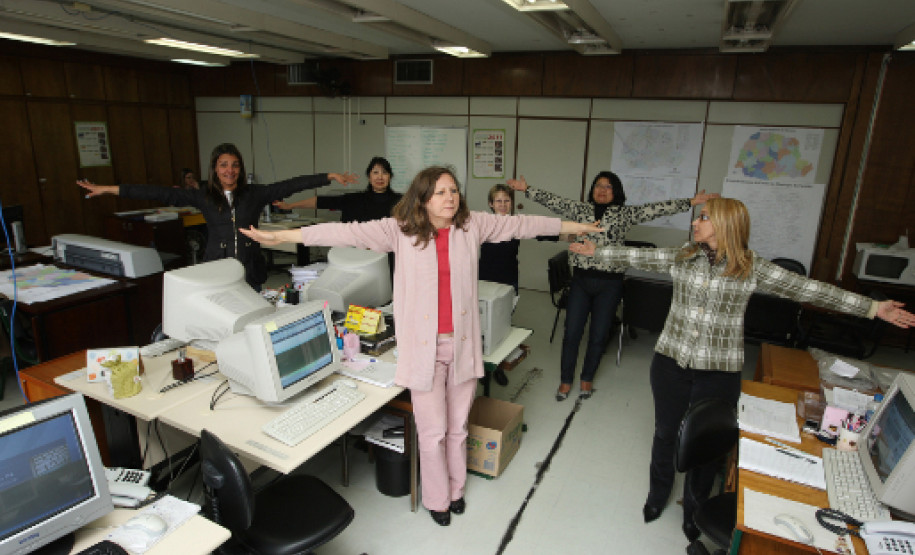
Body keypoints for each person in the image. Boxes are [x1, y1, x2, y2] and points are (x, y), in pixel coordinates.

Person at [238, 166, 602, 526]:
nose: (450, 197)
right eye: (440, 192)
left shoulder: (471, 225)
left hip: (460, 346)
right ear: (423, 198)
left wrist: (576, 228)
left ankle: (456, 491)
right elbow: (345, 231)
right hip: (423, 350)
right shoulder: (400, 230)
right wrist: (287, 237)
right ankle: (437, 500)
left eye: (453, 190)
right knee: (432, 433)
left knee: (458, 428)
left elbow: (524, 225)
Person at [570, 197, 915, 542]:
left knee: (705, 447)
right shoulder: (685, 256)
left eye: (703, 218)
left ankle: (694, 513)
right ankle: (657, 495)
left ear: (726, 224)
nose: (695, 223)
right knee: (664, 434)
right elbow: (637, 256)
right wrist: (595, 251)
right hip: (670, 364)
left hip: (718, 372)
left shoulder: (752, 268)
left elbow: (810, 290)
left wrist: (872, 308)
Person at [508, 172, 717, 401]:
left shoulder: (625, 213)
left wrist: (690, 202)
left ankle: (587, 378)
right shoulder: (580, 209)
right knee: (572, 334)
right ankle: (566, 380)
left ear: (616, 191)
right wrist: (527, 189)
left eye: (608, 187)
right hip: (581, 281)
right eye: (598, 185)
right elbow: (554, 201)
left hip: (610, 284)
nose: (602, 190)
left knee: (598, 335)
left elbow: (657, 208)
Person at [77, 143, 356, 291]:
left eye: (235, 165)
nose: (230, 170)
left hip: (250, 268)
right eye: (224, 165)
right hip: (217, 266)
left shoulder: (254, 194)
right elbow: (156, 192)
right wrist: (108, 189)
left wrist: (328, 176)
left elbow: (290, 185)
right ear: (215, 168)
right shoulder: (203, 195)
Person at [272, 156, 401, 223]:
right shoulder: (354, 199)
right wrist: (290, 206)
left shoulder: (401, 201)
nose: (380, 177)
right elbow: (320, 201)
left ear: (390, 176)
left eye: (384, 172)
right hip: (358, 255)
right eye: (375, 172)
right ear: (369, 177)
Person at [478, 184, 520, 292]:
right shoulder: (483, 223)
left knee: (508, 307)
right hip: (486, 277)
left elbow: (539, 232)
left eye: (507, 200)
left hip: (509, 277)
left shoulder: (516, 223)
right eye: (498, 201)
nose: (503, 204)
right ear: (491, 204)